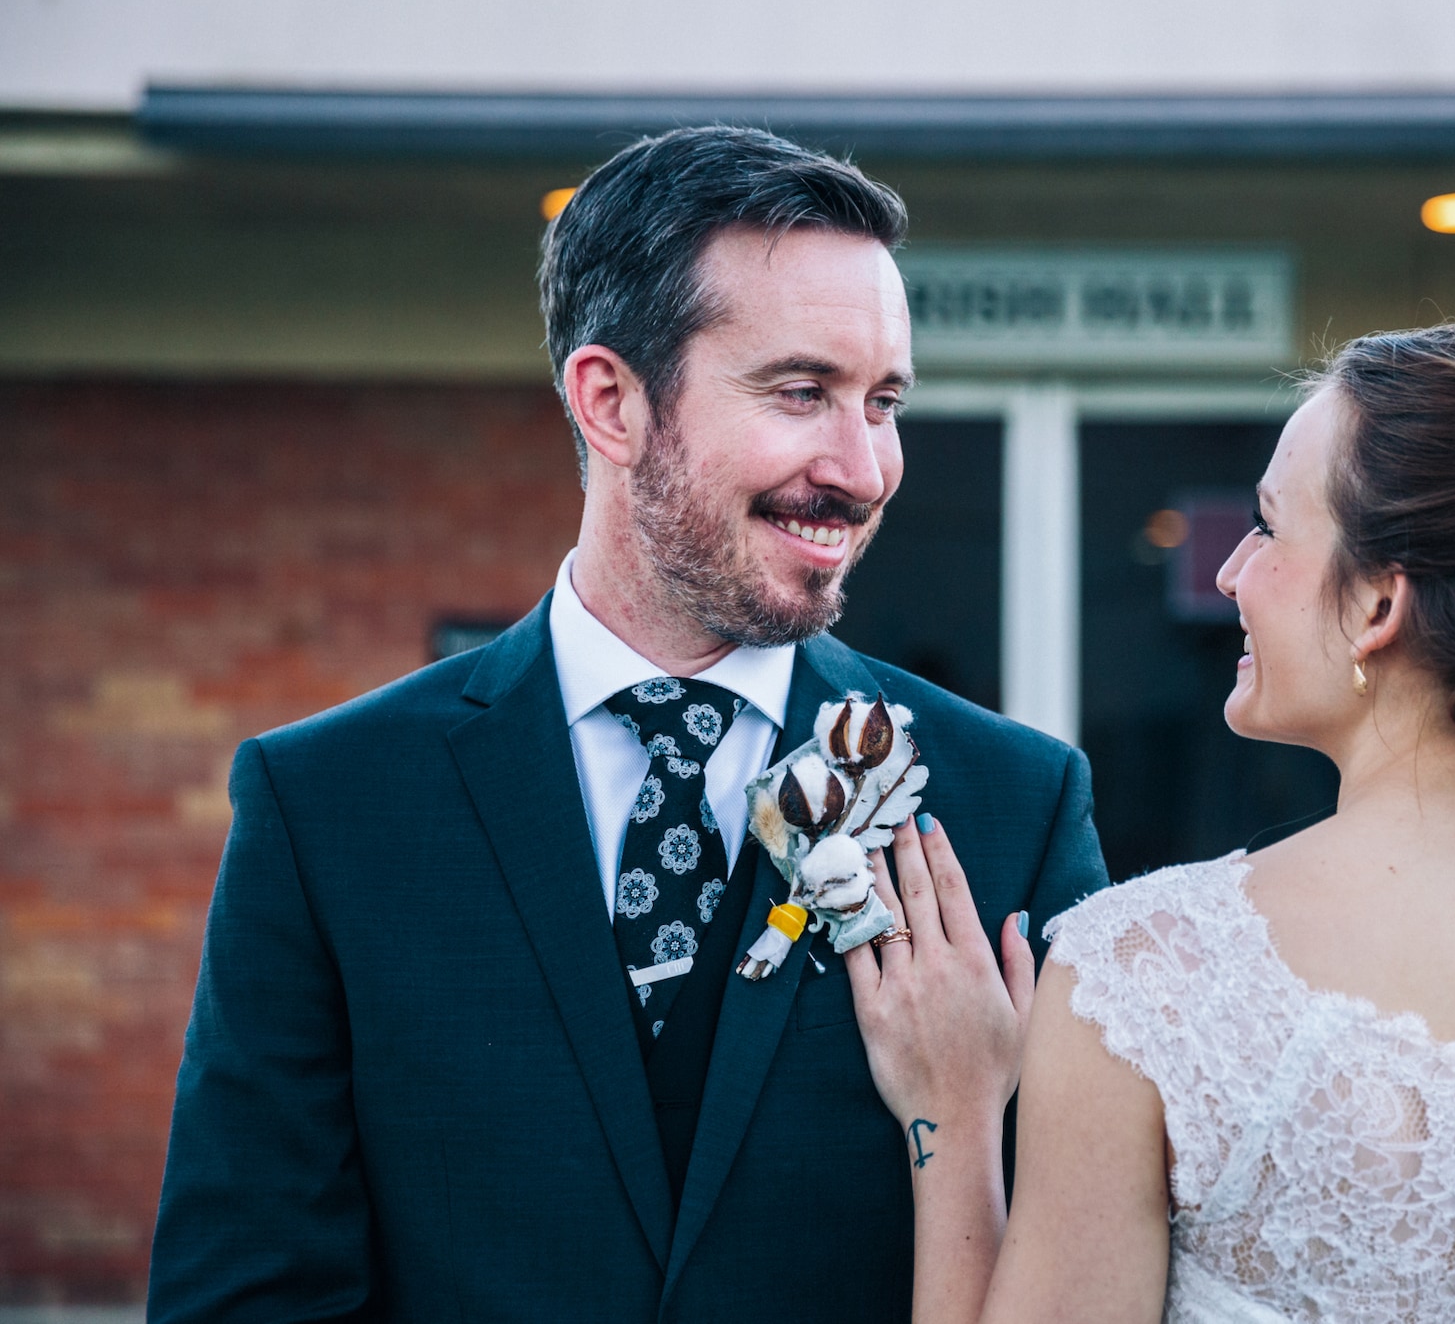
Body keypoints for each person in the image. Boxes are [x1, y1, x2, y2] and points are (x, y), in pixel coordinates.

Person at [147, 126, 1108, 1323]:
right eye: (802, 392)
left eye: (884, 401)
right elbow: (246, 1295)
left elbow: (1077, 1273)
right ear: (610, 400)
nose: (862, 467)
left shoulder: (1012, 804)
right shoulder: (327, 804)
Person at [850, 322, 1455, 1322]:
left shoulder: (1152, 979)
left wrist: (954, 1119)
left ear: (1375, 605)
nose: (1229, 573)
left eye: (1268, 528)